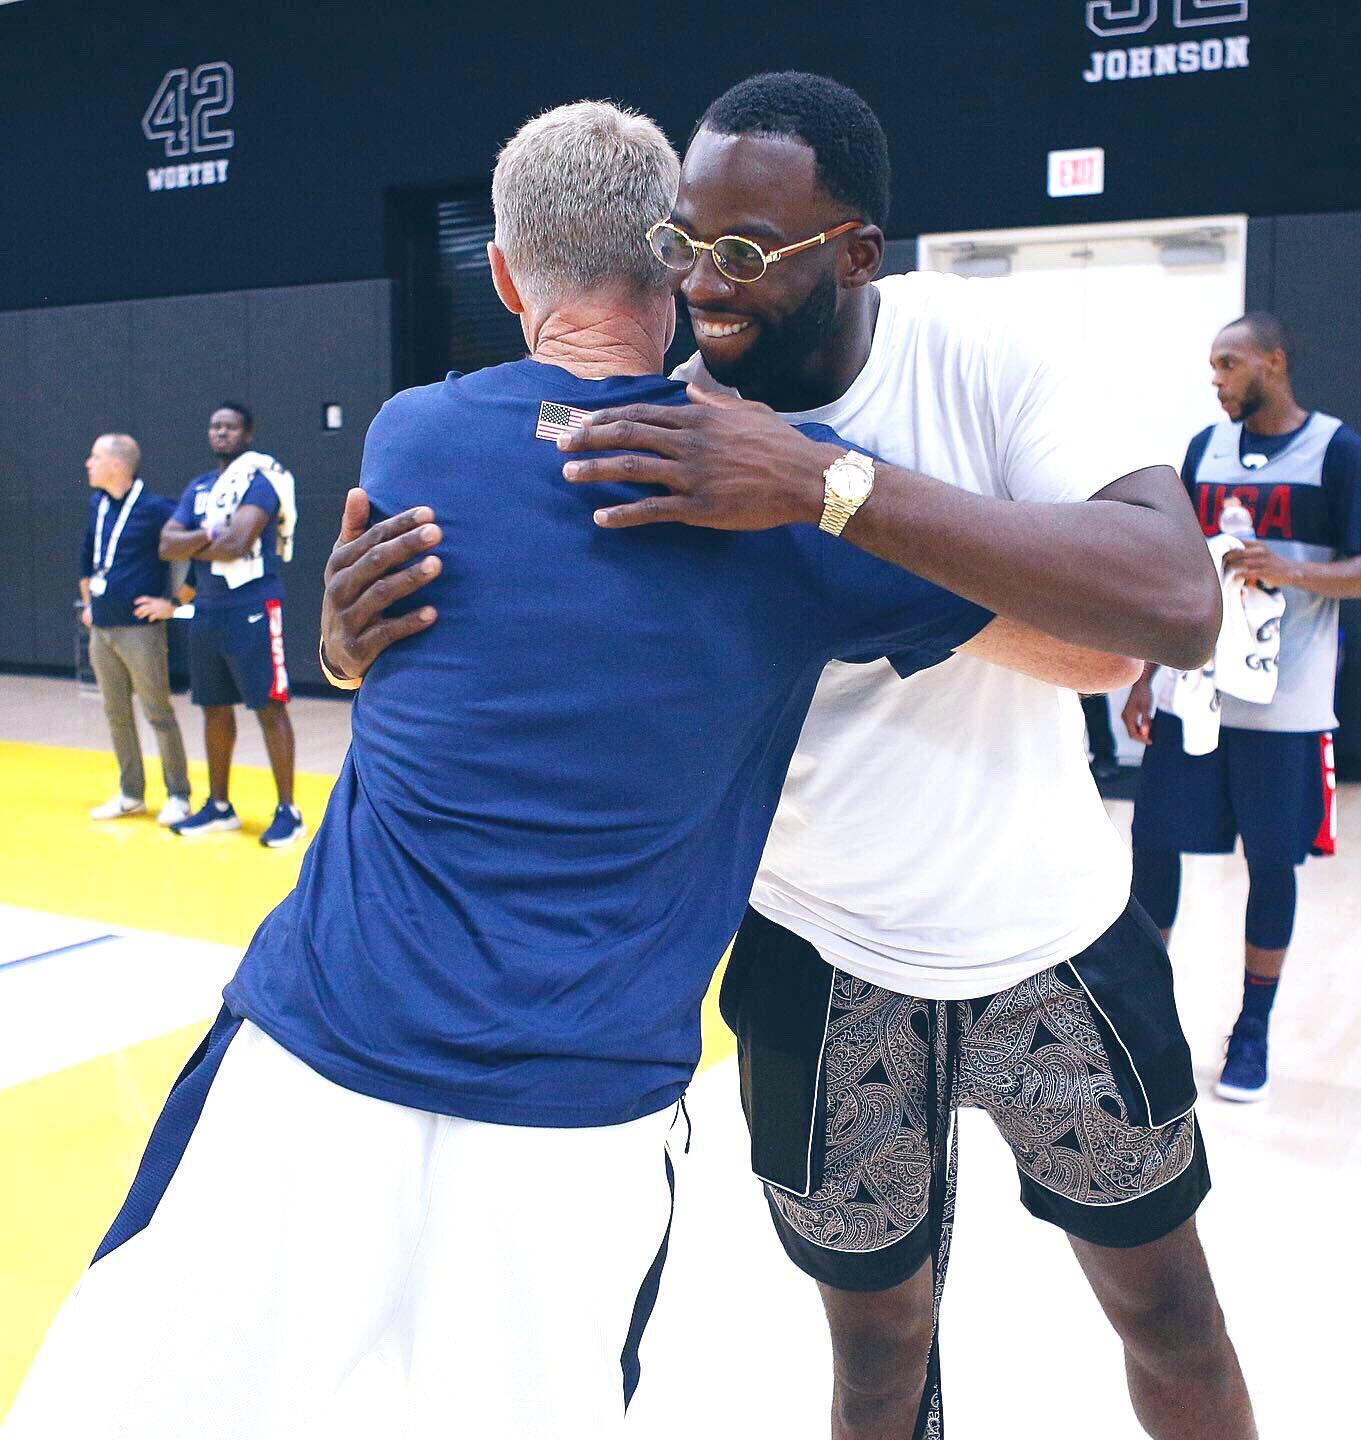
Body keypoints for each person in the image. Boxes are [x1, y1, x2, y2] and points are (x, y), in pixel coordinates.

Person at [3, 101, 1134, 1440]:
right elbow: (1096, 654)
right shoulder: (782, 501)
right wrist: (850, 517)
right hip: (578, 1108)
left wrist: (346, 654)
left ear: (500, 275)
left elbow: (460, 613)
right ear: (682, 266)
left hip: (315, 1050)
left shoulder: (414, 438)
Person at [324, 72, 1244, 1440]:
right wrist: (347, 646)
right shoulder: (660, 425)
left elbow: (1161, 613)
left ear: (856, 252)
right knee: (877, 1359)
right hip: (817, 948)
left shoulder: (983, 349)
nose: (704, 282)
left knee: (1169, 1316)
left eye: (747, 254)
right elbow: (504, 622)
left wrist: (824, 494)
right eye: (686, 242)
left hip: (1047, 930)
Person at [1123, 312, 1361, 1107]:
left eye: (1228, 363)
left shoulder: (1338, 450)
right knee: (1152, 850)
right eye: (1213, 365)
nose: (1217, 379)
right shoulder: (1204, 451)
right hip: (1195, 692)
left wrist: (1292, 571)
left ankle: (1252, 1030)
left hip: (1285, 706)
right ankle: (1147, 1026)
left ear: (1273, 362)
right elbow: (1179, 571)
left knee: (1272, 865)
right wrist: (1145, 674)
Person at [159, 404, 303, 847]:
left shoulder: (260, 481)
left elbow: (237, 544)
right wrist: (209, 536)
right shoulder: (200, 486)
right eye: (215, 426)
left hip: (252, 605)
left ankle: (288, 811)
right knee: (213, 708)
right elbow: (165, 545)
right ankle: (220, 807)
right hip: (206, 609)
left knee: (269, 707)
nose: (221, 433)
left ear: (247, 434)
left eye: (230, 427)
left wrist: (194, 541)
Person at [78, 433, 191, 827]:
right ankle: (131, 793)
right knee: (116, 713)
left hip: (140, 631)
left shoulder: (155, 508)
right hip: (102, 628)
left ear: (116, 465)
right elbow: (87, 558)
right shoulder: (97, 504)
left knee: (157, 711)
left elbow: (194, 548)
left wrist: (174, 603)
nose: (88, 464)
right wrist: (89, 603)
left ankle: (178, 795)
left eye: (95, 457)